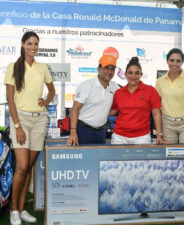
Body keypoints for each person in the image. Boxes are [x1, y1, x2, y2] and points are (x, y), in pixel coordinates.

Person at [4, 31, 55, 225]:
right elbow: (10, 99)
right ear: (23, 44)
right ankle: (13, 210)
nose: (34, 47)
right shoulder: (13, 67)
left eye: (36, 44)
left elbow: (51, 90)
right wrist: (17, 126)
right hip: (21, 120)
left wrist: (46, 100)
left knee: (29, 168)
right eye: (30, 43)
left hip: (40, 119)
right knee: (22, 166)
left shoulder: (43, 67)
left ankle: (22, 208)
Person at [155, 48, 184, 221]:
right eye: (172, 60)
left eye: (178, 61)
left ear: (182, 62)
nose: (174, 64)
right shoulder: (160, 81)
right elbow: (157, 108)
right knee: (169, 165)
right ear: (167, 61)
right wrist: (159, 132)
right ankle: (171, 204)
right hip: (167, 124)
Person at [110, 57, 165, 145]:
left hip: (142, 137)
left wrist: (159, 135)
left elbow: (156, 114)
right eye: (130, 73)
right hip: (119, 137)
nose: (133, 76)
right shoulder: (118, 93)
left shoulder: (150, 90)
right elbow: (112, 111)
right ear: (125, 74)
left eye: (137, 73)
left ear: (141, 75)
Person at [67, 54, 120, 145]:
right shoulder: (87, 85)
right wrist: (73, 131)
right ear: (98, 69)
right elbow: (75, 109)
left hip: (101, 131)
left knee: (99, 159)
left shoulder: (115, 87)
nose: (110, 71)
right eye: (106, 68)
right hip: (83, 130)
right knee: (84, 158)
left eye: (112, 69)